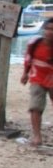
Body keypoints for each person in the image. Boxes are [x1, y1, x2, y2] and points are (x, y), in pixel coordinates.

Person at [21, 18, 53, 146]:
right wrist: (25, 73)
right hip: (37, 77)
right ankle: (37, 136)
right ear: (44, 30)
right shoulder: (34, 43)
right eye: (48, 29)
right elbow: (28, 58)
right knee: (35, 107)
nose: (50, 32)